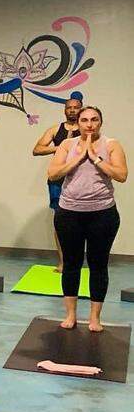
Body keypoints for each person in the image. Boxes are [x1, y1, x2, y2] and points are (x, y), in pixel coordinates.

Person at [47, 105, 126, 332]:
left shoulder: (111, 145)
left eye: (94, 120)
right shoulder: (67, 145)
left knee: (98, 265)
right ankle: (71, 315)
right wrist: (80, 157)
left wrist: (96, 159)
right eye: (84, 120)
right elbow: (53, 174)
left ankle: (94, 318)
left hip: (102, 214)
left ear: (100, 122)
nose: (89, 124)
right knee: (71, 264)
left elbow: (121, 175)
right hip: (69, 214)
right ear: (78, 122)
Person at [33, 97, 82, 272]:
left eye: (76, 108)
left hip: (80, 181)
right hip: (57, 181)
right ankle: (63, 262)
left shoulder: (87, 130)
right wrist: (61, 147)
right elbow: (37, 149)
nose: (72, 110)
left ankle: (75, 261)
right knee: (61, 221)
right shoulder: (55, 130)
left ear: (81, 109)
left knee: (79, 222)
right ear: (65, 110)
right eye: (69, 107)